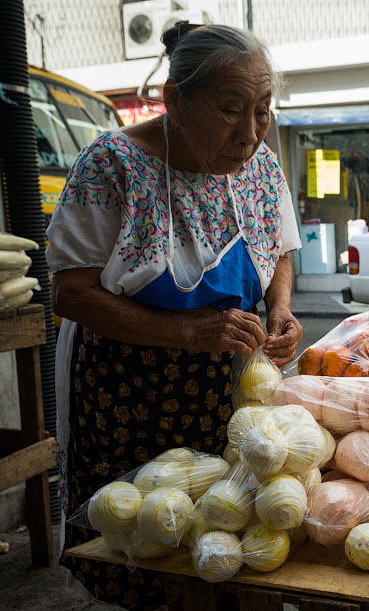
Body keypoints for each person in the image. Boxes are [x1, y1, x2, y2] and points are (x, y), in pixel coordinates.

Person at [46, 22, 302, 610]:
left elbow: (279, 245)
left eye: (263, 109)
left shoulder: (259, 165)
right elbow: (71, 293)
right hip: (131, 395)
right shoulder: (112, 167)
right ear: (175, 101)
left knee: (232, 532)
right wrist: (188, 331)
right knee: (147, 540)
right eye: (230, 109)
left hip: (230, 393)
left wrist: (280, 308)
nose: (251, 131)